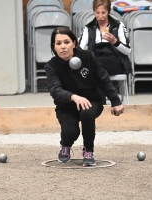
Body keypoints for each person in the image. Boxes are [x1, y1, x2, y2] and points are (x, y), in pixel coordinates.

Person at [44, 27, 124, 167]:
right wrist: (73, 97)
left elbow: (103, 78)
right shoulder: (51, 66)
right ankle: (65, 146)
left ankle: (88, 151)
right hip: (67, 106)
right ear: (54, 47)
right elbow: (55, 91)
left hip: (92, 100)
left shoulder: (87, 56)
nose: (63, 46)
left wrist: (115, 101)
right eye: (58, 43)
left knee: (87, 114)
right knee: (71, 131)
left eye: (66, 42)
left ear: (74, 43)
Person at [78, 0, 131, 77]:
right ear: (94, 12)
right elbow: (80, 49)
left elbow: (127, 51)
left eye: (103, 13)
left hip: (114, 60)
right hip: (95, 58)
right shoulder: (88, 28)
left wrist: (114, 41)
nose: (100, 16)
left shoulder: (118, 25)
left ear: (108, 12)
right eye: (97, 13)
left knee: (94, 66)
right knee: (92, 63)